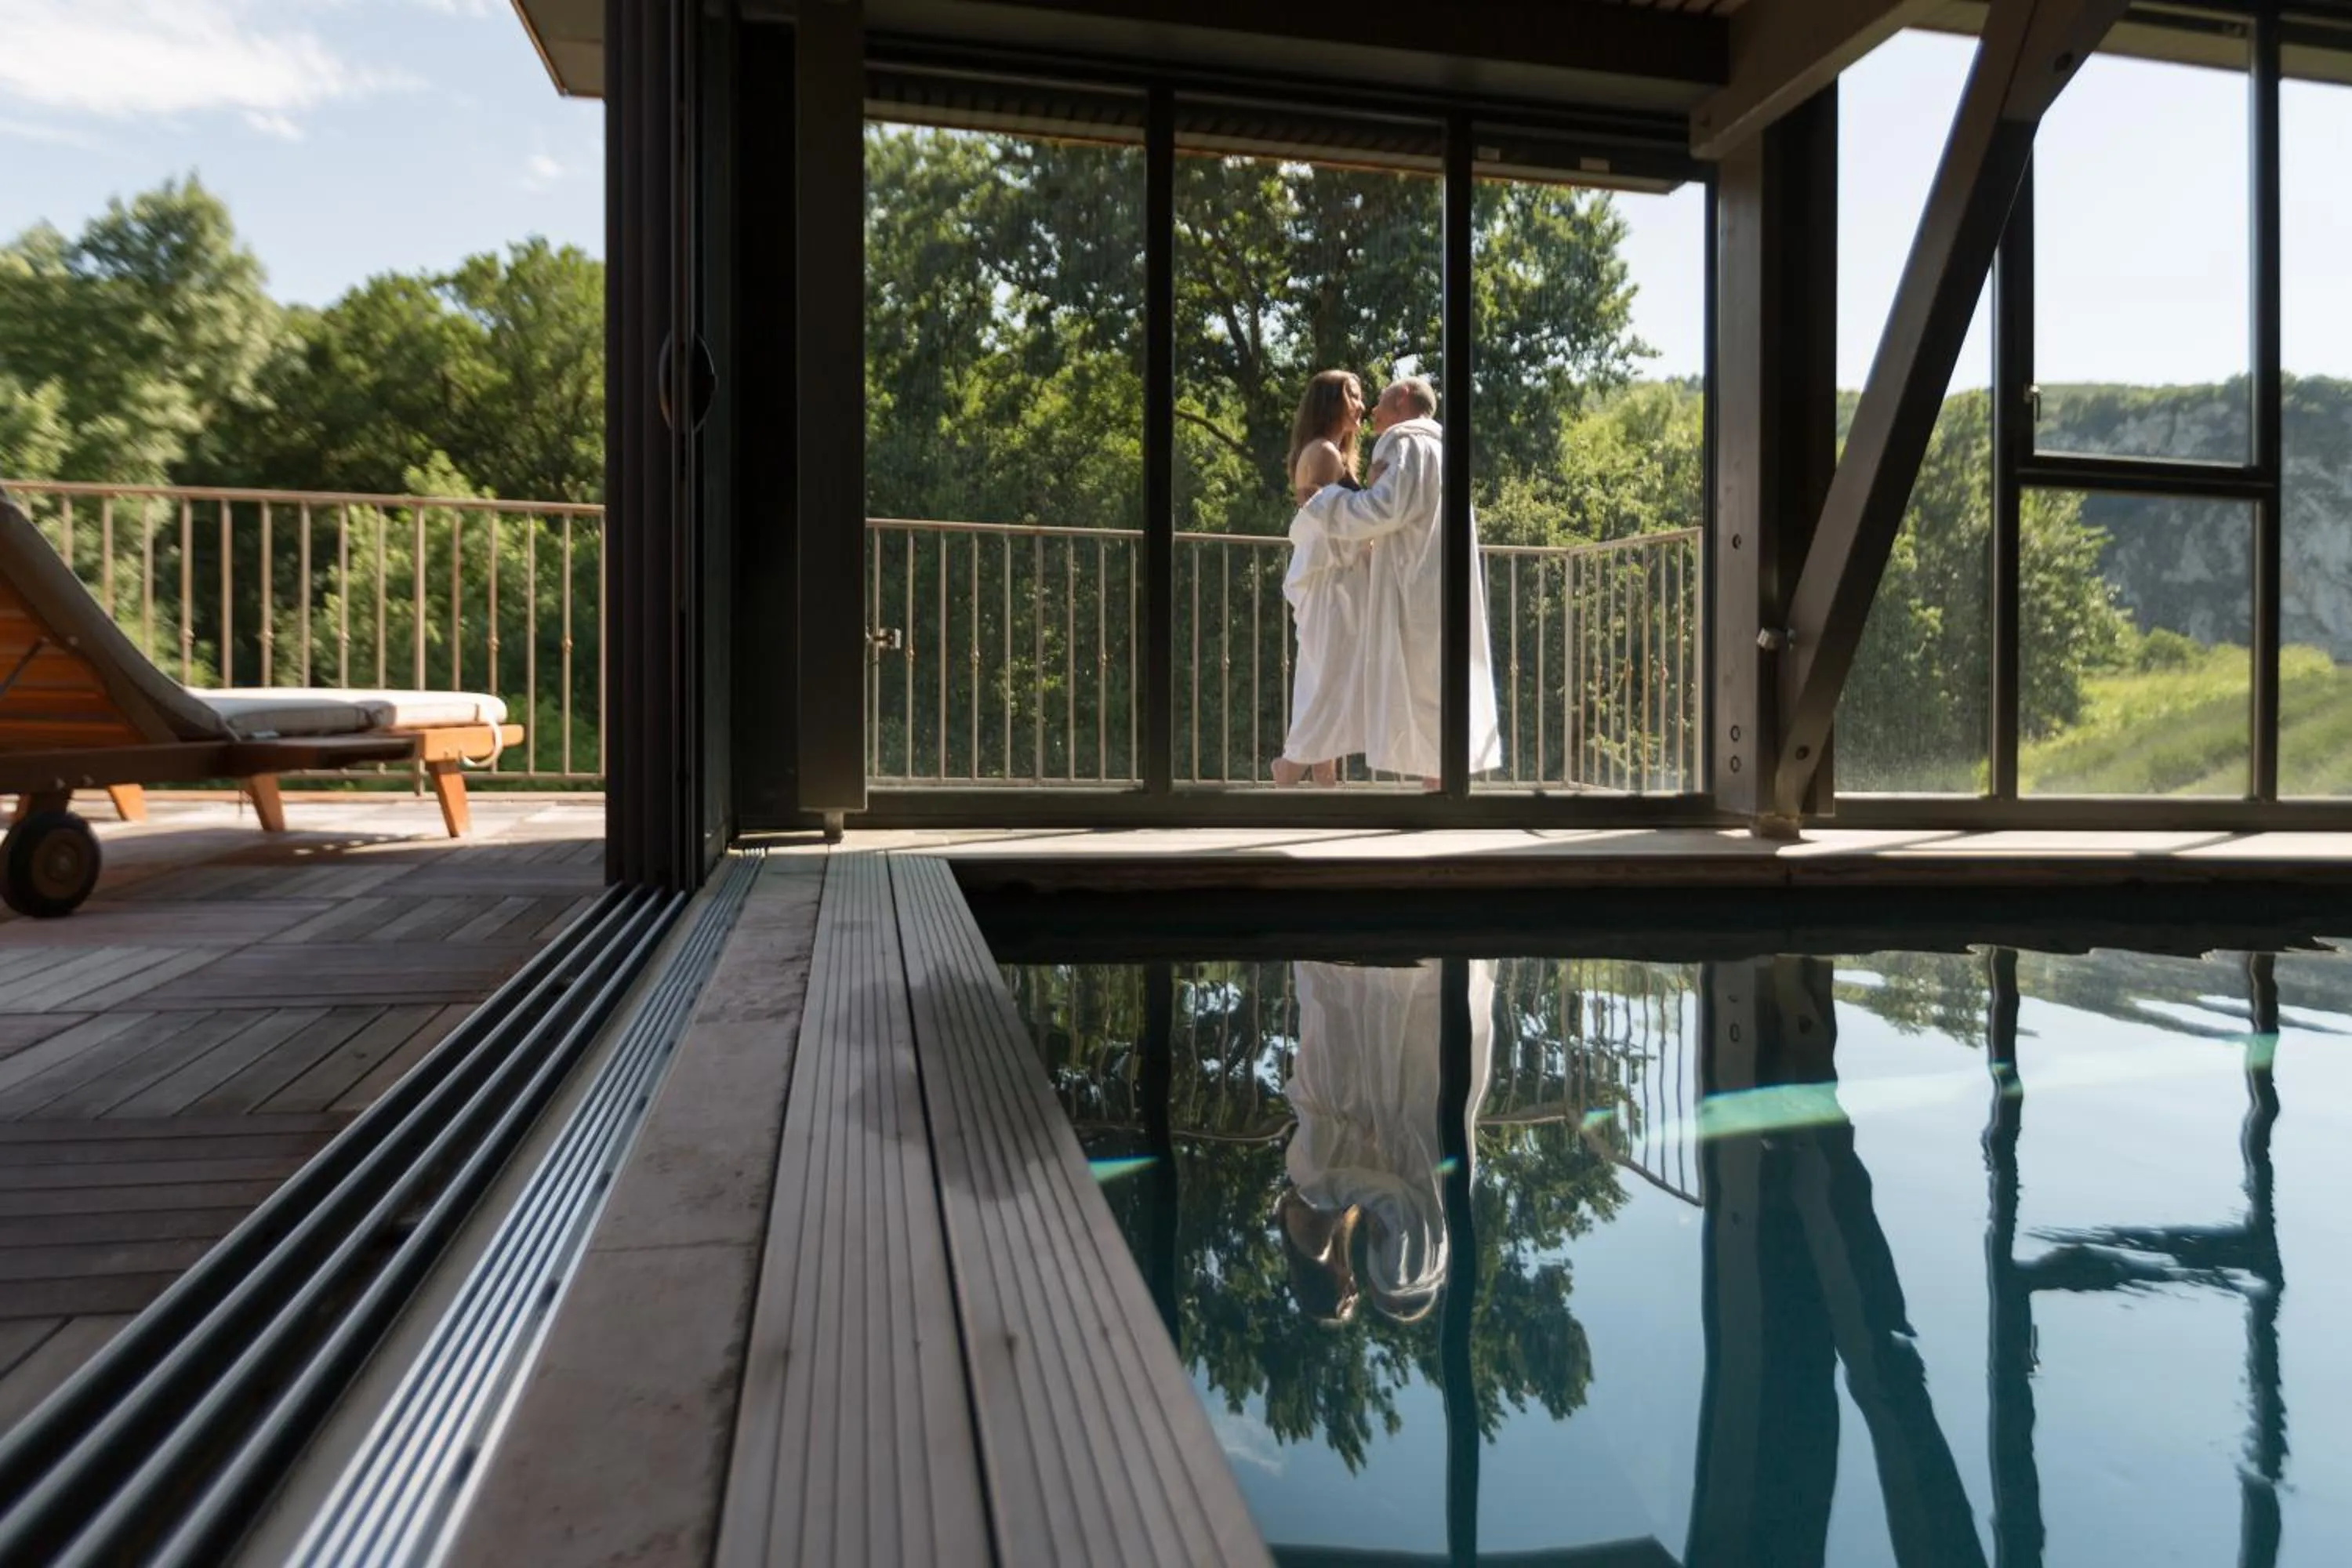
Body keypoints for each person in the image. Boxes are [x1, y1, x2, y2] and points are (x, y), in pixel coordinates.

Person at [1299, 376, 1501, 788]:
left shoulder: (1404, 443)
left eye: (1379, 401)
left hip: (1416, 584)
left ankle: (1437, 788)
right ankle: (1439, 786)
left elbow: (1383, 510)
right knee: (1438, 686)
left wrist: (1321, 501)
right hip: (1442, 581)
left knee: (1421, 687)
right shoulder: (1444, 450)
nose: (1372, 410)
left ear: (1403, 398)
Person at [1274, 959, 1494, 1325]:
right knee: (1365, 1026)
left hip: (1392, 1129)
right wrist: (1332, 1189)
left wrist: (1333, 1189)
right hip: (1380, 1131)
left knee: (1403, 1030)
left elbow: (1389, 1198)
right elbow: (1390, 1199)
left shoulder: (1417, 1263)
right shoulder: (1406, 1277)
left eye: (1345, 1302)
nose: (1356, 1292)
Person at [1272, 370, 1370, 788]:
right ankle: (1289, 769)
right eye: (1353, 396)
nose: (1361, 405)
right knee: (1330, 682)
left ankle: (1325, 784)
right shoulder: (1325, 455)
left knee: (1325, 680)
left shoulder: (1327, 452)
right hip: (1333, 588)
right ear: (1331, 402)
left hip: (1333, 586)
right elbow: (1336, 529)